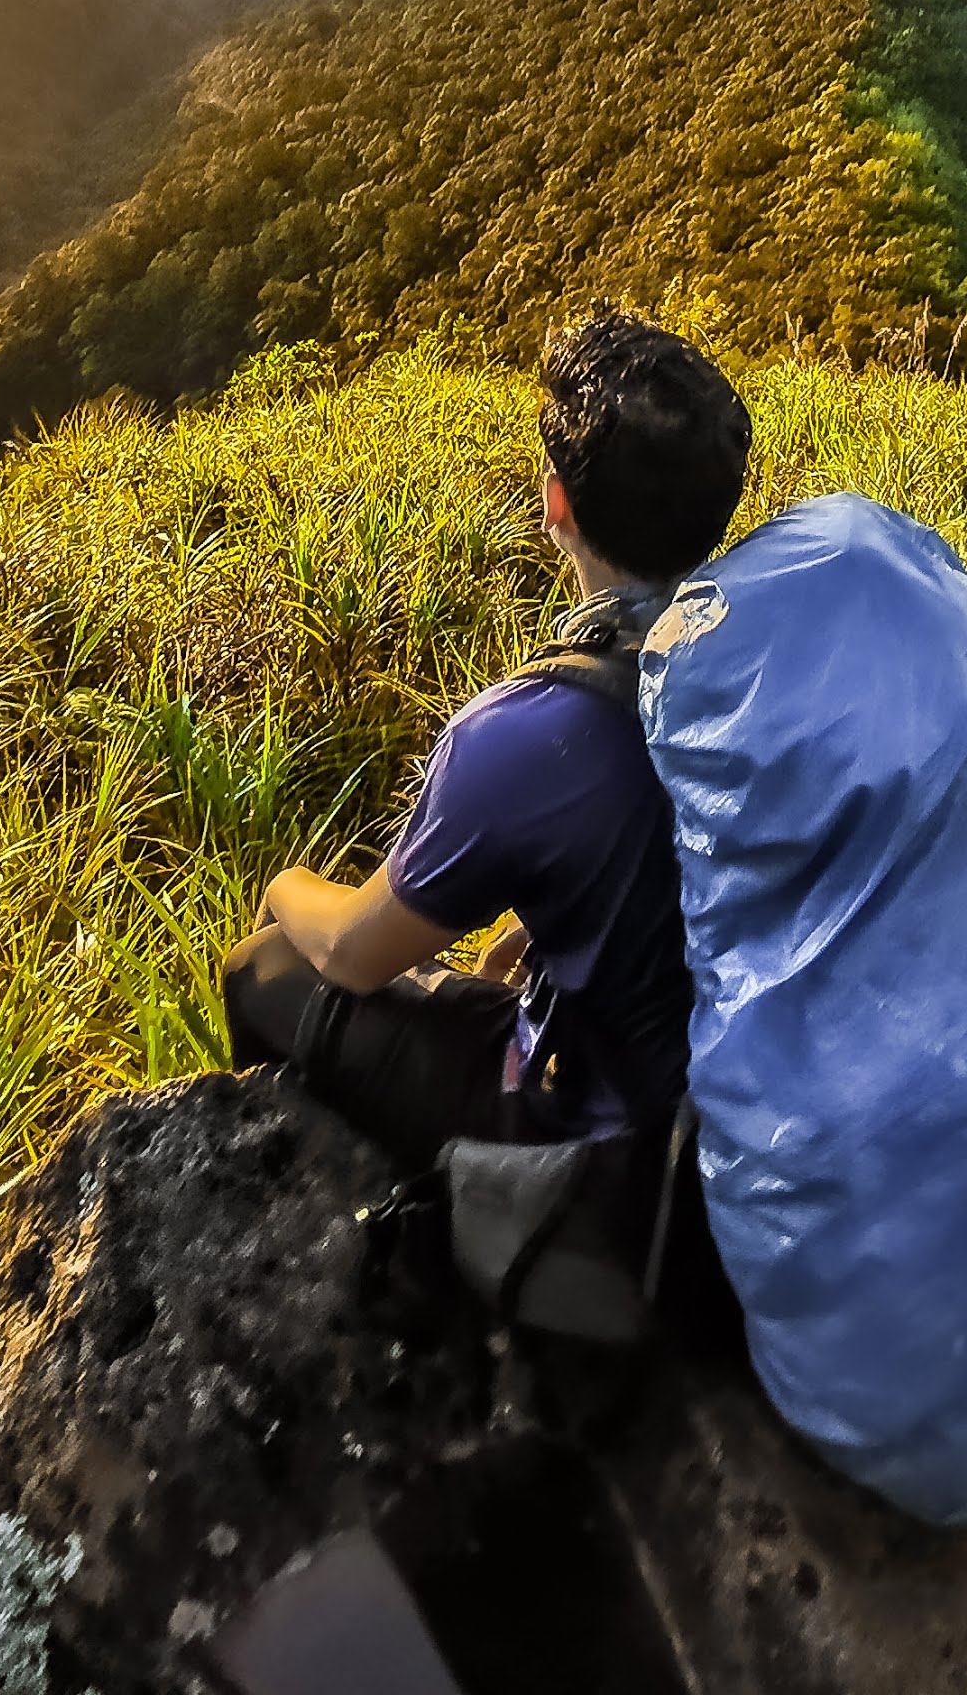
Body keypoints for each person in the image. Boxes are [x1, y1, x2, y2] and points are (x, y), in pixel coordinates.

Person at [220, 307, 749, 1172]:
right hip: (740, 1109)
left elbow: (353, 954)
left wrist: (284, 884)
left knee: (266, 967)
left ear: (556, 504)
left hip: (604, 1141)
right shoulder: (777, 661)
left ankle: (396, 1254)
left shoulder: (527, 735)